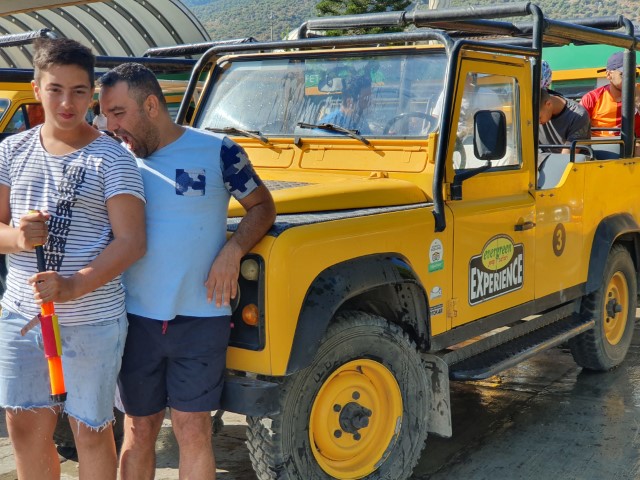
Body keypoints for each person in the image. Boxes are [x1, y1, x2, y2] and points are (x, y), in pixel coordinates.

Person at [98, 63, 276, 480]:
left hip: (202, 318)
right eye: (105, 116)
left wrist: (233, 250)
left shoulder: (219, 151)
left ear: (151, 105)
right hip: (134, 320)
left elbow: (262, 207)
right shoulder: (115, 159)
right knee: (138, 429)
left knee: (193, 430)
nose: (111, 126)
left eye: (118, 113)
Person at [0, 38, 146, 480]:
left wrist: (74, 285)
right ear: (36, 88)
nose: (67, 103)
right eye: (55, 89)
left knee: (91, 432)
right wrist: (18, 238)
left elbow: (132, 241)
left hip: (93, 322)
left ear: (92, 93)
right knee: (24, 427)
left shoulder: (113, 157)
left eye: (79, 91)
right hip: (21, 317)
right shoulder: (10, 151)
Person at [580, 51, 640, 138]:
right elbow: (576, 128)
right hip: (601, 144)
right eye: (624, 74)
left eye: (634, 74)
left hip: (634, 144)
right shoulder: (592, 98)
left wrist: (638, 102)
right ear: (609, 75)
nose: (631, 78)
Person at [539, 87, 591, 153]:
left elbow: (567, 155)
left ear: (548, 104)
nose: (536, 123)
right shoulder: (537, 110)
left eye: (539, 118)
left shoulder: (579, 116)